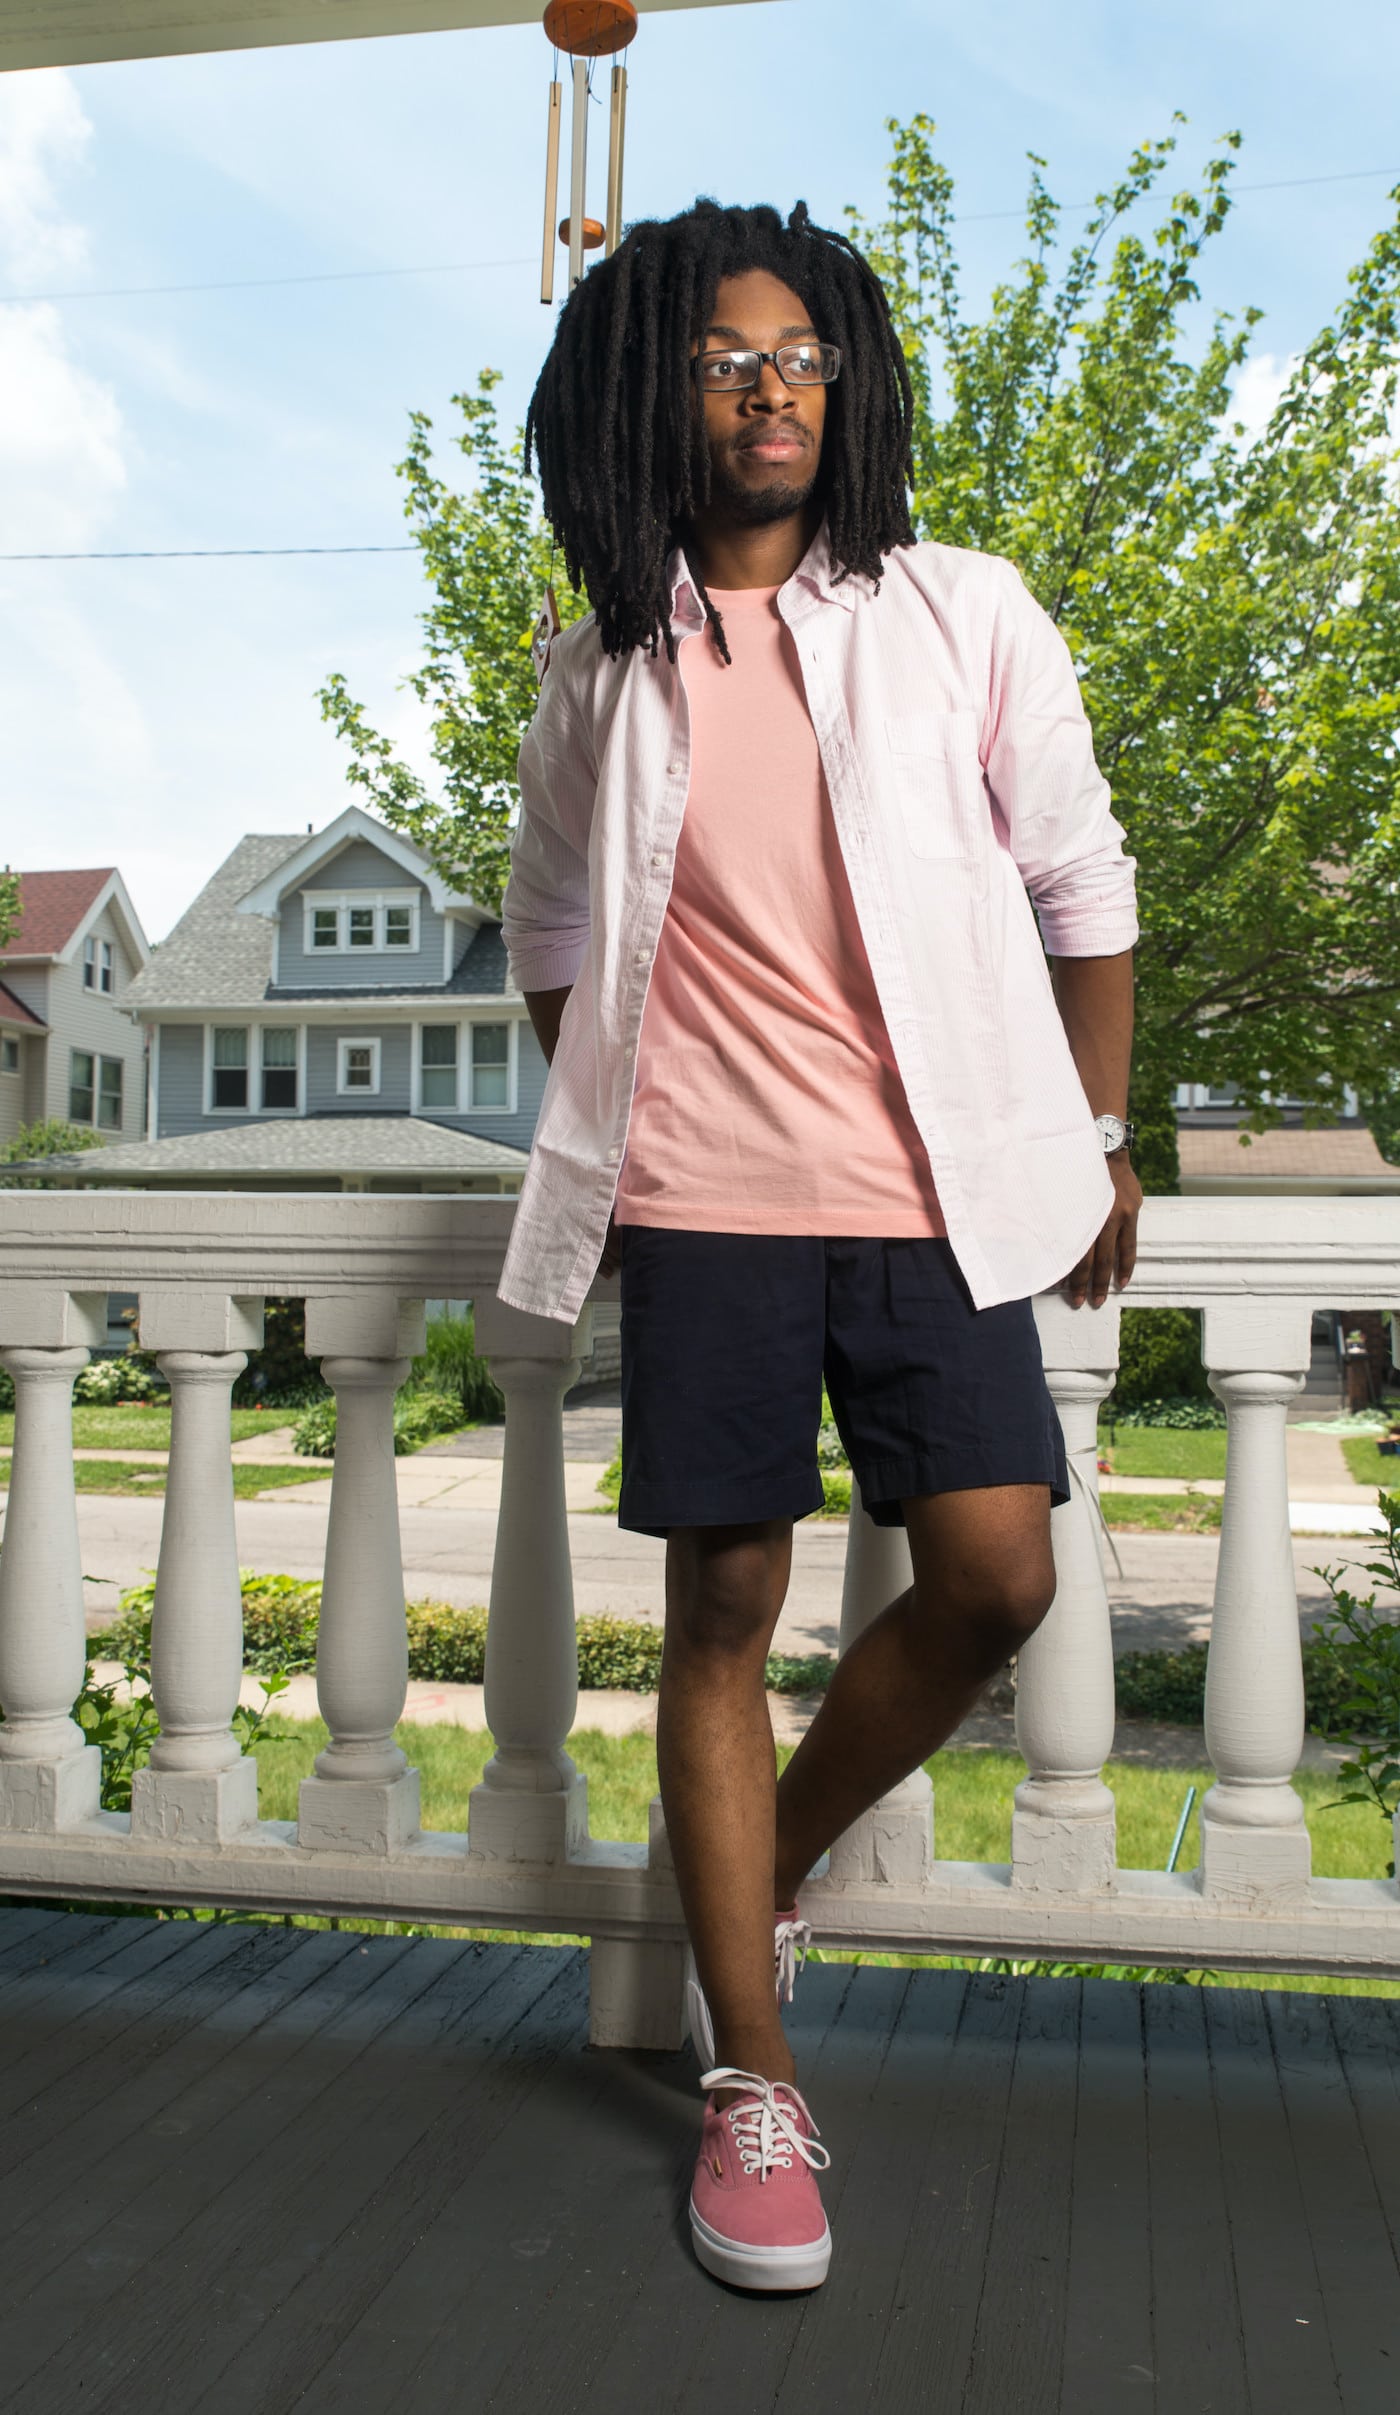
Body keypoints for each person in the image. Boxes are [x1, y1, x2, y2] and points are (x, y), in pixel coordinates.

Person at [497, 199, 1140, 2294]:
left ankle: (745, 1869)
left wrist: (1100, 1130)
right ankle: (750, 2080)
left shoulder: (959, 608)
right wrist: (623, 1095)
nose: (774, 385)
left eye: (804, 350)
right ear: (644, 390)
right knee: (722, 1605)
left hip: (936, 1193)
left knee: (997, 1575)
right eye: (721, 355)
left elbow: (1080, 882)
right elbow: (553, 937)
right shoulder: (599, 661)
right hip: (701, 1200)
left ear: (842, 377)